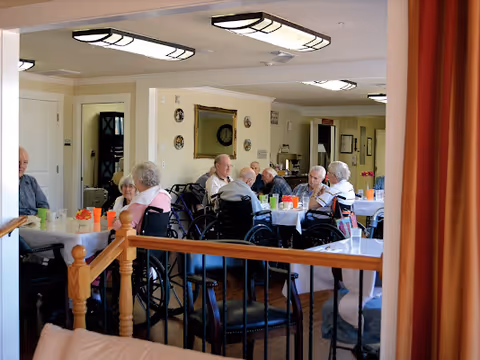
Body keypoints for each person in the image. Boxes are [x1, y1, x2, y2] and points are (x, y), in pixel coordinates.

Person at [113, 161, 171, 232]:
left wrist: (116, 224)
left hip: (140, 240)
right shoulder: (165, 195)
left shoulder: (141, 201)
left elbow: (125, 227)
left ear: (139, 180)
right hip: (160, 240)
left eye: (134, 180)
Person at [19, 147, 49, 215]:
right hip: (15, 223)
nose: (21, 166)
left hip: (34, 221)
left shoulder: (31, 181)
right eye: (18, 161)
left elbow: (44, 204)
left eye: (25, 162)